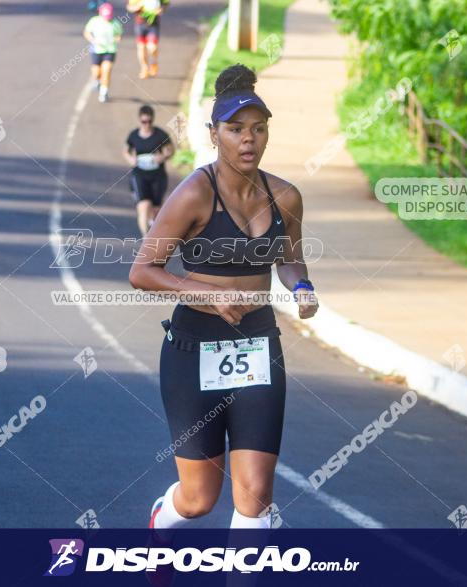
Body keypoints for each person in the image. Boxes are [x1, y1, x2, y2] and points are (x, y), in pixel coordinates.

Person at [129, 64, 318, 532]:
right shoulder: (194, 193)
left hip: (257, 344)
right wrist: (204, 294)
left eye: (258, 129)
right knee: (198, 500)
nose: (248, 139)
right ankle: (161, 520)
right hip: (194, 346)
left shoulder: (285, 197)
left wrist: (301, 287)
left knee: (255, 495)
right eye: (235, 129)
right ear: (213, 134)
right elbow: (142, 271)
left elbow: (289, 259)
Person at [123, 105, 175, 236]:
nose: (147, 124)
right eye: (144, 122)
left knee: (156, 210)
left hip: (157, 176)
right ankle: (146, 239)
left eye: (149, 121)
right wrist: (131, 159)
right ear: (139, 120)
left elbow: (170, 150)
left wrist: (162, 157)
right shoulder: (134, 135)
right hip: (139, 175)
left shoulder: (160, 135)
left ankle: (153, 228)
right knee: (144, 206)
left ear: (153, 120)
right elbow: (125, 150)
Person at [83, 2, 122, 103]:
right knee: (96, 73)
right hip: (97, 50)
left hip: (110, 50)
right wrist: (93, 40)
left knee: (107, 70)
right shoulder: (94, 21)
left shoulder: (115, 23)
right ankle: (98, 82)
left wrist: (116, 39)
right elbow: (87, 32)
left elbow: (118, 35)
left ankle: (104, 93)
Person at [126, 0, 169, 78]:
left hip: (153, 24)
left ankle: (154, 62)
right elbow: (129, 7)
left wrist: (161, 9)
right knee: (141, 48)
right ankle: (144, 68)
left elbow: (165, 4)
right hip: (140, 24)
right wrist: (137, 7)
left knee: (152, 48)